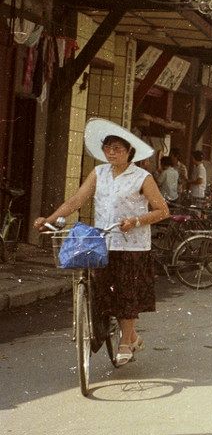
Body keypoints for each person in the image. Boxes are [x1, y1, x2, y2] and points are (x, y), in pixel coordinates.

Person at [35, 119, 169, 367]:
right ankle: (132, 337)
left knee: (126, 296)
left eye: (117, 148)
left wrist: (136, 220)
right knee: (106, 296)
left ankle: (125, 343)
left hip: (132, 245)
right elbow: (76, 200)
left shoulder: (142, 177)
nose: (112, 152)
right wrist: (49, 219)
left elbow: (162, 211)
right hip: (103, 243)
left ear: (129, 151)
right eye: (108, 148)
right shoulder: (99, 173)